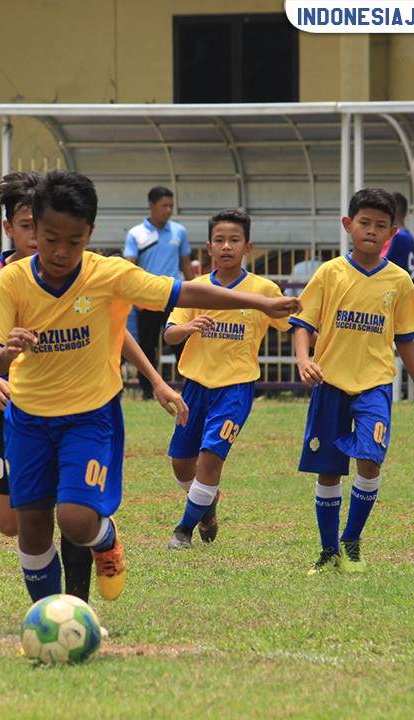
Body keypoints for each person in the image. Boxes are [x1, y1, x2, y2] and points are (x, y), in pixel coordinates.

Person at [0, 169, 298, 604]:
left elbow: (187, 293)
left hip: (88, 417)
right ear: (33, 228)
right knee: (32, 528)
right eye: (51, 238)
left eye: (74, 242)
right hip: (29, 419)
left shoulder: (108, 274)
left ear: (89, 234)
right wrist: (8, 350)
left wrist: (261, 301)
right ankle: (53, 618)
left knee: (75, 519)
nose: (60, 251)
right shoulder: (11, 282)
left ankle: (105, 538)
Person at [0, 171, 189, 603]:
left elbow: (112, 332)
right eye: (33, 231)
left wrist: (155, 380)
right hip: (6, 408)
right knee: (15, 522)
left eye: (68, 238)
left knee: (74, 510)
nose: (48, 246)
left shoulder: (84, 274)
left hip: (77, 408)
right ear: (18, 228)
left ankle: (73, 609)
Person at [291, 188, 414, 576]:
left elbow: (404, 338)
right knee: (329, 469)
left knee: (369, 459)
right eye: (364, 223)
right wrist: (305, 360)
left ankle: (352, 540)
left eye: (380, 225)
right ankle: (328, 550)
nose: (371, 230)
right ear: (348, 225)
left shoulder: (399, 281)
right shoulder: (330, 273)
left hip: (374, 385)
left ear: (392, 233)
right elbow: (302, 325)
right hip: (330, 383)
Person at [162, 209, 292, 549]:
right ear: (208, 247)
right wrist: (186, 329)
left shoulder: (262, 290)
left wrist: (315, 355)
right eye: (219, 240)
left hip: (235, 389)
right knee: (181, 464)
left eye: (234, 240)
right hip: (194, 389)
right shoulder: (195, 288)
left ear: (247, 246)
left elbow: (295, 325)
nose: (226, 247)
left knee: (210, 457)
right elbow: (169, 334)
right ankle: (207, 507)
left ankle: (183, 531)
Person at [124, 186, 195, 400]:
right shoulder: (136, 233)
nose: (168, 210)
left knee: (181, 343)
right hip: (146, 298)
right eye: (164, 205)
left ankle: (190, 387)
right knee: (146, 346)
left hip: (174, 297)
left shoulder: (179, 232)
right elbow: (129, 267)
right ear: (152, 206)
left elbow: (186, 264)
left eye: (171, 206)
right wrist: (134, 297)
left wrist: (194, 293)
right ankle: (147, 390)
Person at [381, 191, 414, 285]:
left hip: (394, 290)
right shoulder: (408, 236)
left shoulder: (395, 236)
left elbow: (378, 264)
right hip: (407, 288)